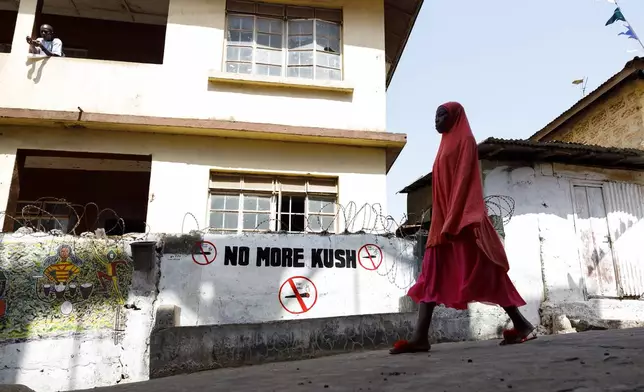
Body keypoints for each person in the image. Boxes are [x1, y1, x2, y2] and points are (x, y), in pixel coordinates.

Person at [390, 102, 535, 355]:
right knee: (431, 275)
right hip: (443, 222)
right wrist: (442, 219)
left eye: (442, 114)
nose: (436, 120)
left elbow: (465, 180)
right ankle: (420, 337)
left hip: (461, 222)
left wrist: (454, 218)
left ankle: (521, 323)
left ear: (455, 116)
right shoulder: (444, 143)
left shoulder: (465, 140)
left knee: (486, 272)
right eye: (434, 115)